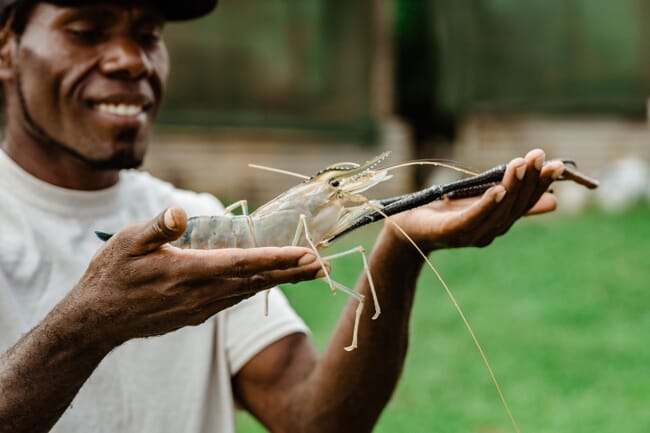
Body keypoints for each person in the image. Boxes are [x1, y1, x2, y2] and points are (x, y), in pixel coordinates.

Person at [0, 1, 566, 432]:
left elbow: (312, 417)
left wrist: (397, 248)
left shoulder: (202, 215)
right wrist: (91, 325)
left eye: (148, 34)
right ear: (6, 48)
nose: (130, 59)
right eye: (86, 30)